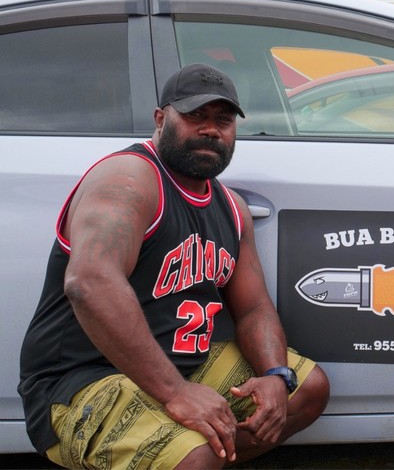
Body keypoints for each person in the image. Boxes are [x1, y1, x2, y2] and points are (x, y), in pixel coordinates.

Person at [18, 63, 330, 469]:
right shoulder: (129, 179)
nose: (211, 129)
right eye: (195, 115)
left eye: (223, 119)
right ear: (161, 119)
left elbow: (254, 308)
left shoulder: (232, 208)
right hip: (82, 378)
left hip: (186, 365)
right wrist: (176, 394)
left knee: (306, 391)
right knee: (196, 456)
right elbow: (90, 283)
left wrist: (274, 374)